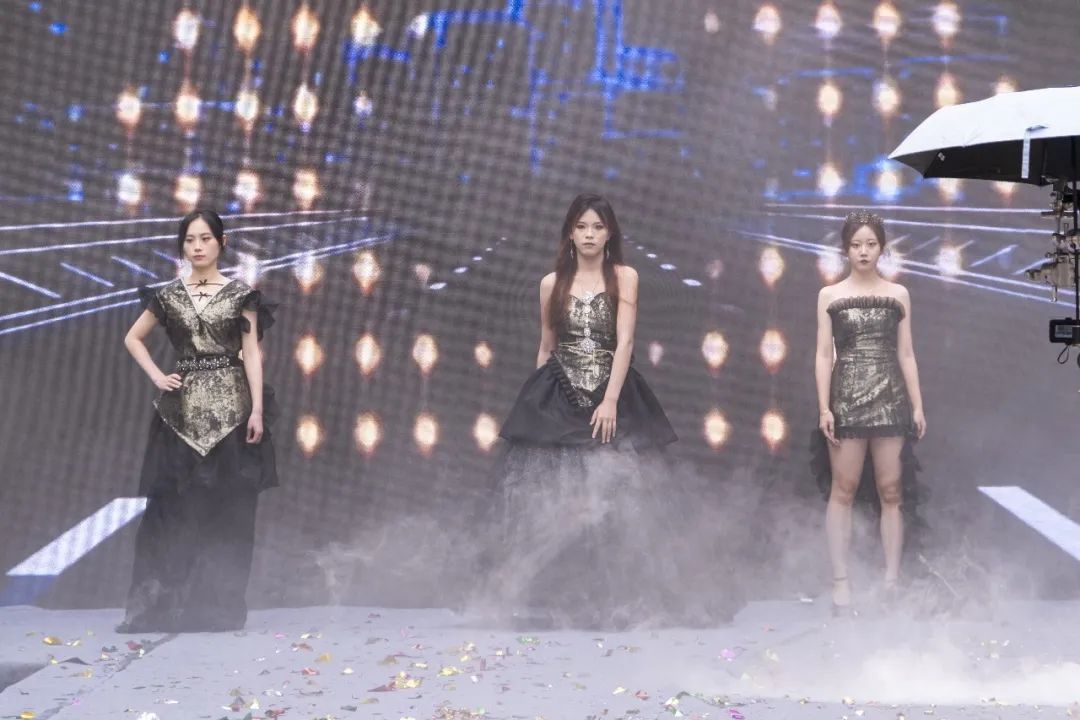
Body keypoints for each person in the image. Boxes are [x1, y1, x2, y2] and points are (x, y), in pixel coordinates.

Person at [479, 193, 734, 629]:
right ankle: (553, 601)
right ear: (569, 233)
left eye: (598, 227)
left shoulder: (625, 277)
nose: (589, 235)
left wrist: (611, 399)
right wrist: (535, 406)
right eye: (581, 227)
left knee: (621, 498)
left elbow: (626, 341)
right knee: (553, 500)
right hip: (558, 392)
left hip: (612, 391)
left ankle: (618, 600)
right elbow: (546, 346)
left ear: (610, 232)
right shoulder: (550, 284)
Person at [117, 208, 277, 633]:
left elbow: (252, 354)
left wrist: (257, 409)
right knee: (172, 509)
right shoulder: (169, 295)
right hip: (181, 415)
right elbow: (133, 337)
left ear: (221, 243)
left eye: (205, 238)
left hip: (232, 414)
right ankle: (159, 609)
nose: (197, 247)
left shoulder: (242, 296)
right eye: (189, 240)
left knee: (227, 509)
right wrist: (157, 376)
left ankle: (214, 609)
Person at [814, 210, 927, 616]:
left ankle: (891, 582)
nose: (863, 251)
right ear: (846, 250)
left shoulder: (899, 294)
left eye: (871, 244)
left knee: (891, 491)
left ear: (882, 248)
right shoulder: (829, 295)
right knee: (842, 491)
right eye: (856, 245)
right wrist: (824, 407)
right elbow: (823, 355)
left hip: (890, 397)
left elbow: (906, 353)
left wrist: (917, 404)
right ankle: (841, 583)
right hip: (846, 399)